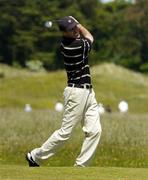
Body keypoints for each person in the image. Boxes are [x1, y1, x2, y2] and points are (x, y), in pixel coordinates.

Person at [26, 16, 102, 167]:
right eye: (71, 29)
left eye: (74, 27)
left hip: (88, 93)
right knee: (65, 133)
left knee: (95, 131)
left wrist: (74, 23)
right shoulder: (74, 45)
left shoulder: (71, 41)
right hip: (76, 93)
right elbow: (90, 37)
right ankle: (35, 156)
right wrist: (79, 23)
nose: (75, 30)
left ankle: (81, 166)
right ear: (64, 33)